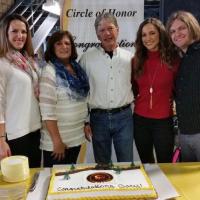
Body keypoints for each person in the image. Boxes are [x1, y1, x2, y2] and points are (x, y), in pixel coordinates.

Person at [80, 12, 134, 164]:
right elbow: (82, 92)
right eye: (102, 30)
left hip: (124, 118)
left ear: (117, 30)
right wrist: (85, 121)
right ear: (97, 34)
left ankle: (126, 188)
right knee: (102, 165)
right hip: (98, 119)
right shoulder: (86, 58)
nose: (107, 33)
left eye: (110, 28)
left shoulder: (130, 58)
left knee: (126, 162)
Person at [132, 18, 179, 163]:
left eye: (152, 33)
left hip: (163, 122)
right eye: (144, 35)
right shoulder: (136, 60)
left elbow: (179, 90)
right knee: (147, 165)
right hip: (140, 121)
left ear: (161, 34)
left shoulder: (174, 59)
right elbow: (134, 88)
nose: (148, 38)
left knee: (165, 165)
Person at [39, 30, 89, 167]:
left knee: (69, 180)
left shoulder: (77, 69)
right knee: (56, 183)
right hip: (58, 143)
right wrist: (57, 141)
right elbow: (47, 111)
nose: (64, 46)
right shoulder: (49, 71)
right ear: (52, 47)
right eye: (59, 43)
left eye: (67, 43)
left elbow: (83, 102)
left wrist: (86, 123)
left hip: (75, 137)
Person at [0, 14, 41, 167]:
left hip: (35, 130)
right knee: (18, 184)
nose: (20, 36)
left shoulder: (28, 61)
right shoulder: (2, 63)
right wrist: (1, 141)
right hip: (15, 135)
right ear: (5, 33)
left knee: (34, 180)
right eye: (14, 31)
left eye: (23, 32)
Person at [166, 11, 200, 162]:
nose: (177, 34)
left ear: (192, 27)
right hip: (185, 133)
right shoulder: (180, 59)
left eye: (181, 28)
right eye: (172, 31)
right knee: (190, 184)